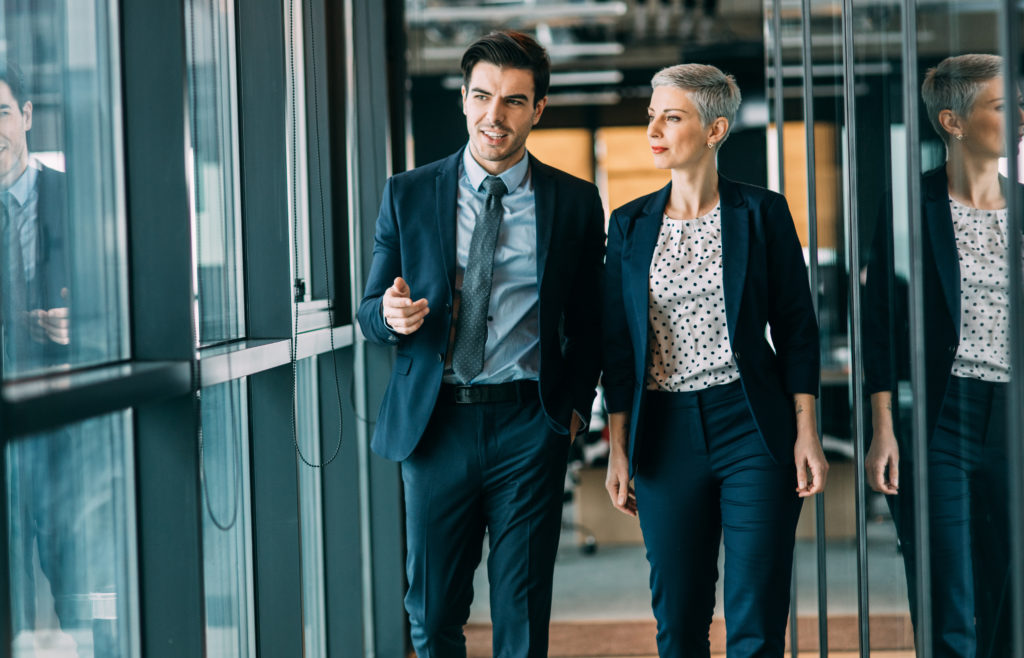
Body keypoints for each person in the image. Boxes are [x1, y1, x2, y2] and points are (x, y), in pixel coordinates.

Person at [356, 31, 605, 658]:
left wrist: (570, 410)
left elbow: (591, 320)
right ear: (464, 99)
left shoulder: (573, 201)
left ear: (537, 110)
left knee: (522, 608)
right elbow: (367, 311)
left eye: (514, 102)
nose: (495, 116)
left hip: (529, 423)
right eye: (482, 97)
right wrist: (389, 317)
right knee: (433, 609)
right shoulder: (408, 193)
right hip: (435, 424)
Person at [602, 63, 827, 657]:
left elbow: (798, 329)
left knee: (755, 614)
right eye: (652, 114)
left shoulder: (763, 213)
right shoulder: (627, 225)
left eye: (671, 117)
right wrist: (617, 446)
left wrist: (807, 433)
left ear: (714, 129)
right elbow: (619, 350)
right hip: (663, 430)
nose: (654, 127)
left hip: (750, 423)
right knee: (678, 619)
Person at [864, 53, 1020, 657]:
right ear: (952, 121)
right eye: (1003, 106)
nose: (1022, 115)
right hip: (940, 417)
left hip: (1013, 414)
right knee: (947, 594)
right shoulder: (910, 207)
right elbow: (879, 325)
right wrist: (883, 430)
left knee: (1011, 592)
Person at [0, 60, 70, 376]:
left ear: (26, 116)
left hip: (63, 393)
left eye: (2, 113)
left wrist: (81, 322)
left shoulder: (76, 199)